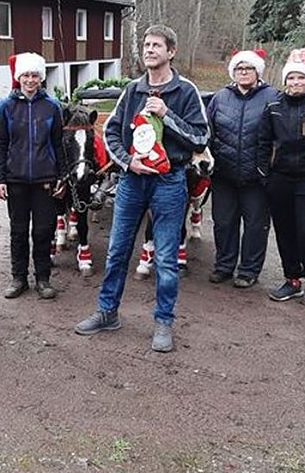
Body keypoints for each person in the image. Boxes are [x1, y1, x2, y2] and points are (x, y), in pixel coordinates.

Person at [74, 25, 210, 353]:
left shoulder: (186, 91)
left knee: (164, 257)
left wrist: (168, 115)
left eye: (156, 45)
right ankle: (107, 312)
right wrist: (126, 163)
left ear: (171, 52)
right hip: (133, 181)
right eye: (146, 45)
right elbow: (111, 133)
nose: (149, 50)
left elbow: (201, 139)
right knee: (118, 250)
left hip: (169, 181)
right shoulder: (133, 90)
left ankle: (163, 321)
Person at [257, 48, 305, 312]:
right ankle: (292, 279)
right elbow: (263, 142)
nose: (295, 83)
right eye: (291, 79)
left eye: (301, 79)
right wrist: (264, 174)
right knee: (285, 232)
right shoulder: (273, 106)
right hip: (278, 178)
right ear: (285, 81)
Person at [0, 52, 65, 299]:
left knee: (44, 231)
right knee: (19, 231)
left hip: (45, 179)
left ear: (41, 78)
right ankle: (18, 278)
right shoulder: (7, 107)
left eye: (35, 75)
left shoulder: (52, 107)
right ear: (19, 77)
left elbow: (59, 144)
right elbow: (0, 143)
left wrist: (62, 177)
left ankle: (43, 279)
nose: (31, 80)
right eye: (26, 75)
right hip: (16, 180)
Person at [206, 49, 277, 288]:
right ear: (233, 72)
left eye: (248, 68)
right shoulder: (220, 98)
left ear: (258, 71)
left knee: (255, 225)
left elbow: (279, 137)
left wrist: (268, 167)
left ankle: (248, 270)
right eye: (239, 68)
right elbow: (208, 131)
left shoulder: (272, 97)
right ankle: (224, 265)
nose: (243, 72)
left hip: (257, 176)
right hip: (224, 174)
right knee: (224, 222)